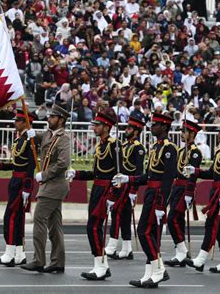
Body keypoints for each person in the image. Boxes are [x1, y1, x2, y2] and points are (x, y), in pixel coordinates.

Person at [113, 112, 177, 288]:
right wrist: (129, 179)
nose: (152, 127)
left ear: (164, 127)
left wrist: (161, 204)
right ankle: (150, 273)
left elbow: (168, 179)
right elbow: (148, 176)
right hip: (150, 192)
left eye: (155, 124)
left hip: (158, 195)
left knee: (144, 232)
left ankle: (159, 270)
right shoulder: (155, 147)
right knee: (151, 234)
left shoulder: (170, 148)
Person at [66, 111, 121, 280]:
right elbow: (96, 173)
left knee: (94, 227)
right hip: (97, 189)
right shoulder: (100, 146)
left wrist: (113, 196)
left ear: (106, 127)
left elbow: (119, 175)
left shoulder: (114, 145)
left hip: (106, 191)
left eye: (97, 125)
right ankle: (101, 264)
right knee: (93, 227)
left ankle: (100, 266)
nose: (94, 128)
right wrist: (77, 174)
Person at [184, 120, 220, 274]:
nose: (218, 134)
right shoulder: (219, 152)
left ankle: (201, 259)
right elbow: (211, 173)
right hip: (215, 192)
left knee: (212, 223)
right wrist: (195, 171)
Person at [20, 104, 71, 273]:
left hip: (54, 184)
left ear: (61, 120)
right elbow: (43, 138)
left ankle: (38, 260)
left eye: (52, 117)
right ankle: (57, 261)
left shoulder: (64, 138)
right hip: (50, 185)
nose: (49, 119)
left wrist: (45, 174)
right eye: (49, 116)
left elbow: (63, 163)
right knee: (55, 225)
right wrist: (33, 134)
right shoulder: (49, 133)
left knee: (39, 218)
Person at [0, 110, 37, 267]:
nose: (15, 123)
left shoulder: (30, 141)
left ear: (25, 122)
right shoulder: (19, 141)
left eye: (18, 120)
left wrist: (27, 188)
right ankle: (19, 253)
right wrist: (0, 164)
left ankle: (9, 253)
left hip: (22, 181)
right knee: (17, 218)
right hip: (15, 180)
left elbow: (30, 167)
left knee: (10, 217)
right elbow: (16, 164)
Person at [105, 116, 146, 260]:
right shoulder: (124, 145)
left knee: (116, 211)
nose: (126, 130)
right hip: (120, 183)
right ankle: (127, 248)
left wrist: (134, 191)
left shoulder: (138, 148)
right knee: (125, 216)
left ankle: (111, 245)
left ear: (136, 131)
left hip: (129, 185)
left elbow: (139, 171)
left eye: (129, 128)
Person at [164, 119, 202, 267]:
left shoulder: (195, 153)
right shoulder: (181, 151)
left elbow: (193, 174)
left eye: (185, 131)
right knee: (177, 220)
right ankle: (180, 252)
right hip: (176, 188)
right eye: (181, 131)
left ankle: (182, 251)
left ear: (192, 134)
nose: (182, 134)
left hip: (185, 188)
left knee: (172, 218)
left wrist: (189, 193)